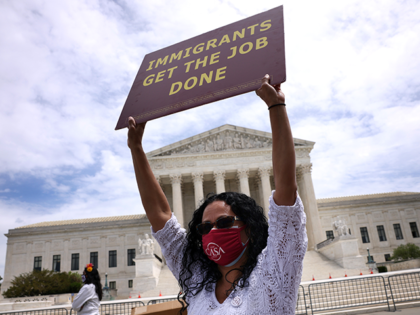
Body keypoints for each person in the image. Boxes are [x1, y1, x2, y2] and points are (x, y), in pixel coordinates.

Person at [127, 75, 308, 314]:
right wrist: (136, 148)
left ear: (249, 228)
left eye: (224, 222)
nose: (213, 232)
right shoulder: (196, 281)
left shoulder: (274, 275)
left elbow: (286, 192)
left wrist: (276, 107)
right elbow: (161, 217)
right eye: (205, 228)